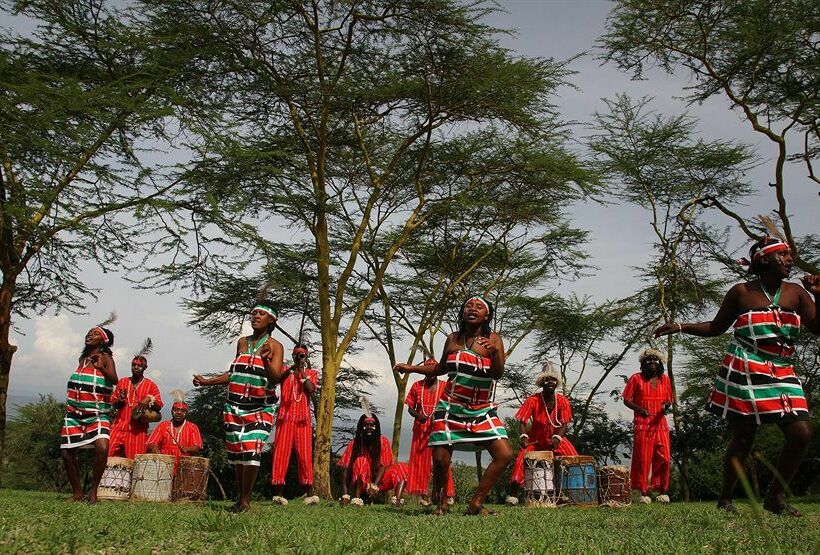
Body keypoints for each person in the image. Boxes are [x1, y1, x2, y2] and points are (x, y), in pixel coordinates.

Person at [655, 236, 819, 516]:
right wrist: (681, 326)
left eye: (791, 256)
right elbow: (717, 327)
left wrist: (818, 293)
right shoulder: (741, 292)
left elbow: (818, 329)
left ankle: (775, 498)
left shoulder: (797, 293)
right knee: (744, 436)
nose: (791, 260)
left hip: (782, 368)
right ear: (765, 260)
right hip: (745, 365)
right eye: (784, 255)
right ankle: (725, 500)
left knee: (801, 432)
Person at [394, 295, 513, 516]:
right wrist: (410, 368)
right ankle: (441, 505)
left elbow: (497, 374)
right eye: (469, 305)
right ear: (462, 312)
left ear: (487, 315)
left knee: (504, 454)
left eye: (479, 307)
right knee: (440, 459)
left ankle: (475, 502)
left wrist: (495, 353)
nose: (473, 309)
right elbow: (440, 369)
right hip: (450, 406)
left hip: (481, 409)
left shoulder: (494, 339)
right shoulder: (453, 339)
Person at [193, 299, 284, 512]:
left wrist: (266, 360)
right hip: (234, 406)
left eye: (261, 313)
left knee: (252, 450)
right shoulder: (242, 343)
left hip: (260, 408)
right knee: (237, 453)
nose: (255, 316)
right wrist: (207, 381)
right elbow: (234, 373)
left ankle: (245, 501)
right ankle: (240, 498)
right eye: (253, 313)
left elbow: (275, 378)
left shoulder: (275, 346)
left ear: (271, 320)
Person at [60, 324, 118, 503]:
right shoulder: (83, 358)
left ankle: (93, 492)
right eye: (89, 333)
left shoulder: (105, 357)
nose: (89, 335)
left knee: (102, 449)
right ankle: (77, 493)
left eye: (94, 334)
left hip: (98, 414)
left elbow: (114, 379)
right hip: (75, 414)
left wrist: (102, 368)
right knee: (67, 453)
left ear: (103, 340)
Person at [506, 362, 578, 505]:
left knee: (573, 458)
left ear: (557, 382)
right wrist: (523, 436)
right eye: (546, 379)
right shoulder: (533, 400)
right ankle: (513, 494)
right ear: (541, 382)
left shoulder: (563, 401)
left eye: (552, 379)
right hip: (535, 440)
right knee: (522, 458)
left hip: (557, 439)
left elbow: (564, 424)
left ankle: (567, 493)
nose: (550, 382)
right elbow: (522, 421)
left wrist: (558, 437)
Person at [621, 348, 673, 504]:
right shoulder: (636, 379)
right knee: (643, 459)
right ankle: (644, 492)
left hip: (660, 424)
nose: (652, 362)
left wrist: (667, 406)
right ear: (643, 364)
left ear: (660, 364)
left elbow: (668, 400)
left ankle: (662, 491)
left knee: (664, 457)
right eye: (648, 360)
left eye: (655, 360)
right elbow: (626, 399)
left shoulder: (665, 380)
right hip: (642, 424)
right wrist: (640, 409)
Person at [270, 343, 319, 506]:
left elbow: (311, 390)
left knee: (305, 456)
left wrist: (302, 372)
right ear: (292, 356)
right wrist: (292, 369)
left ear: (306, 357)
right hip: (285, 419)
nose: (299, 357)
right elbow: (276, 379)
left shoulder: (311, 373)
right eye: (297, 354)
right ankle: (278, 494)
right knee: (281, 454)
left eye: (302, 355)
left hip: (303, 420)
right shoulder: (285, 370)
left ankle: (310, 494)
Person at [404, 360, 455, 507]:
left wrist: (439, 415)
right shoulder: (416, 386)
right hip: (420, 429)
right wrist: (418, 415)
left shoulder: (445, 386)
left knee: (442, 461)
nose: (430, 373)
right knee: (421, 463)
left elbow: (451, 405)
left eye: (433, 370)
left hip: (439, 428)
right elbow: (410, 408)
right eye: (426, 370)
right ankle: (424, 496)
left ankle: (447, 494)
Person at [337, 414, 409, 507]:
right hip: (361, 482)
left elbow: (383, 466)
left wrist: (374, 487)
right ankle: (357, 500)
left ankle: (397, 501)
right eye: (366, 425)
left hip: (380, 482)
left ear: (377, 426)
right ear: (361, 427)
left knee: (402, 467)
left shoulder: (383, 442)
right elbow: (345, 469)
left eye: (372, 425)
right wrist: (345, 495)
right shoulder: (355, 443)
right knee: (361, 461)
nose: (369, 427)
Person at [109, 349, 163, 458]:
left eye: (139, 365)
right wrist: (120, 400)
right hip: (119, 427)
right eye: (133, 365)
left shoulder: (150, 385)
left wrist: (149, 399)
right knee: (107, 457)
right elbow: (114, 403)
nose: (136, 367)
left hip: (137, 431)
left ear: (145, 367)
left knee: (135, 462)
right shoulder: (123, 382)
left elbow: (159, 406)